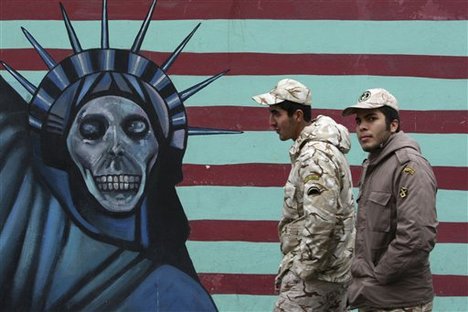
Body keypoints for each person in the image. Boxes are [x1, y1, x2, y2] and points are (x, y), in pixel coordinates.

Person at [252, 78, 355, 311]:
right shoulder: (317, 150)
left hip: (316, 279)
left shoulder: (314, 156)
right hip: (329, 273)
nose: (271, 122)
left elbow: (321, 219)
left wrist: (302, 271)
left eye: (276, 114)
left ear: (297, 115)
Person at [342, 88, 438, 311]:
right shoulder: (375, 165)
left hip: (400, 302)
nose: (362, 127)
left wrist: (378, 277)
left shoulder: (409, 165)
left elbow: (417, 236)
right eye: (358, 121)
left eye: (372, 118)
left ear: (393, 125)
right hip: (374, 299)